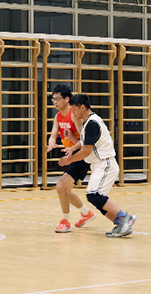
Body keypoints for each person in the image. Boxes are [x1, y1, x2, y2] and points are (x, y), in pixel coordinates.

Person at [58, 94, 136, 238]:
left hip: (105, 164)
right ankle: (120, 223)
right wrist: (72, 144)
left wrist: (69, 160)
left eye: (74, 109)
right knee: (97, 199)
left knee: (94, 195)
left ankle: (125, 217)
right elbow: (84, 143)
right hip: (99, 165)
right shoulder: (88, 123)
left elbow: (86, 150)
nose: (73, 113)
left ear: (83, 107)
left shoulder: (92, 123)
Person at [45, 85, 95, 233]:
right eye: (53, 99)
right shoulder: (58, 116)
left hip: (80, 155)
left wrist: (72, 146)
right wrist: (51, 142)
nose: (55, 102)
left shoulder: (74, 115)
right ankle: (86, 213)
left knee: (61, 186)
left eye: (58, 99)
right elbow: (54, 132)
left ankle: (65, 221)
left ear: (67, 99)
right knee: (65, 190)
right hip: (71, 155)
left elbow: (84, 141)